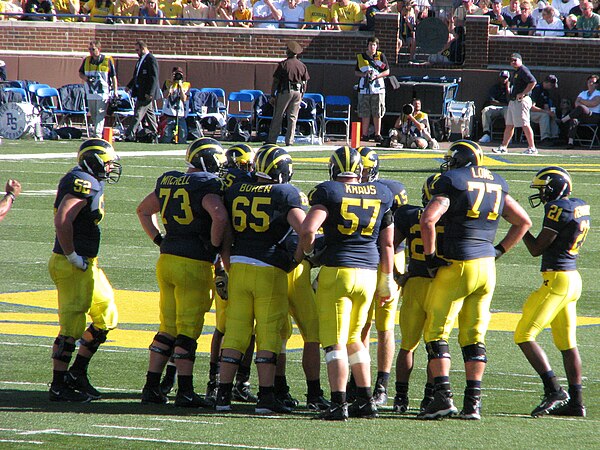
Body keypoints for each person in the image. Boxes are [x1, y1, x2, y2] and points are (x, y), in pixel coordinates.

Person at [418, 140, 532, 420]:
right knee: (473, 336)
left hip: (458, 265)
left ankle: (443, 398)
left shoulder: (452, 180)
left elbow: (428, 220)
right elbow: (523, 222)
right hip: (486, 267)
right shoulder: (497, 181)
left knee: (436, 333)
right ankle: (473, 404)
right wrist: (499, 250)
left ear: (459, 159)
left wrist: (431, 256)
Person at [299, 146, 395, 421]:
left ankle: (338, 403)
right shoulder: (381, 192)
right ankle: (366, 400)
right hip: (369, 273)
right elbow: (387, 242)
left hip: (338, 272)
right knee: (355, 339)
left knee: (334, 343)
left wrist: (308, 252)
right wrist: (387, 278)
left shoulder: (329, 191)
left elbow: (307, 229)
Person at [137, 137, 230, 408]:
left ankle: (151, 387)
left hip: (167, 260)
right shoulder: (207, 184)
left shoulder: (169, 180)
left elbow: (143, 211)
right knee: (188, 330)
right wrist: (214, 245)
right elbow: (220, 216)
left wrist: (159, 239)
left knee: (167, 326)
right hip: (194, 264)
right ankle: (185, 391)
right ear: (208, 161)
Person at [216, 146, 305, 414]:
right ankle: (266, 397)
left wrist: (228, 265)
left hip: (239, 267)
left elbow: (227, 235)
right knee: (268, 333)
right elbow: (306, 230)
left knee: (235, 332)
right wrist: (298, 258)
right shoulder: (284, 193)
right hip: (269, 270)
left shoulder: (236, 189)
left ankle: (222, 396)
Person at [48, 138, 122, 403]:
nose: (111, 166)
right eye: (108, 161)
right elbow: (63, 219)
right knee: (72, 325)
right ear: (94, 160)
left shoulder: (89, 180)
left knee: (107, 314)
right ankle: (58, 385)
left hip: (88, 262)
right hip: (71, 263)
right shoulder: (83, 181)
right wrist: (71, 255)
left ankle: (77, 373)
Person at [515, 166, 590, 418]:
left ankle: (553, 389)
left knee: (524, 334)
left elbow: (537, 248)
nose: (542, 194)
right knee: (567, 344)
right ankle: (577, 403)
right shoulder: (578, 205)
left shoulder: (558, 209)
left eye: (544, 188)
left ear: (555, 187)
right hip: (572, 279)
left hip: (557, 280)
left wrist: (520, 226)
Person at [355, 146, 409, 407]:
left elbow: (402, 228)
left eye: (365, 170)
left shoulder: (392, 190)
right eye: (358, 170)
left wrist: (393, 273)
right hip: (363, 261)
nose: (361, 175)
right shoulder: (350, 189)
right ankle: (361, 381)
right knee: (361, 324)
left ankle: (382, 385)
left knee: (385, 326)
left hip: (389, 258)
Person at [392, 173, 439, 414]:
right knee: (436, 346)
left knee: (407, 346)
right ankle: (430, 397)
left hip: (413, 285)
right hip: (439, 286)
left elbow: (389, 244)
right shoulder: (450, 218)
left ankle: (400, 397)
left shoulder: (409, 215)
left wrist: (397, 273)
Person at [266, 41, 310, 147]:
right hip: (298, 92)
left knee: (278, 115)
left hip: (286, 91)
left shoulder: (284, 64)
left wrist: (272, 95)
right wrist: (302, 94)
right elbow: (305, 82)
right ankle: (289, 141)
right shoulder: (302, 65)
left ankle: (272, 140)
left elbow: (276, 81)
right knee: (292, 117)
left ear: (288, 52)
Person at [493, 53, 537, 155]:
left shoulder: (523, 70)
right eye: (511, 60)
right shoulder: (516, 72)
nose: (513, 62)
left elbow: (533, 82)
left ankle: (532, 147)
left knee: (525, 124)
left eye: (515, 60)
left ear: (520, 60)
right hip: (513, 101)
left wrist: (523, 93)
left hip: (521, 101)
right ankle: (503, 147)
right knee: (509, 125)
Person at [79, 40, 118, 139]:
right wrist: (87, 79)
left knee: (100, 113)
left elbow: (113, 77)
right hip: (91, 92)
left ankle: (97, 134)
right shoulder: (87, 60)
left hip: (103, 92)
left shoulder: (107, 60)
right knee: (93, 114)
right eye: (89, 49)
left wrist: (115, 91)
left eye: (93, 49)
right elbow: (80, 73)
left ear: (99, 49)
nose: (91, 51)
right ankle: (96, 132)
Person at [125, 40, 161, 142]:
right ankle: (155, 133)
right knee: (150, 114)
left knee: (138, 113)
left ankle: (129, 135)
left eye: (137, 50)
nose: (136, 52)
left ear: (143, 48)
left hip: (146, 93)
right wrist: (129, 86)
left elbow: (154, 77)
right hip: (140, 91)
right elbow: (137, 76)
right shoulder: (140, 60)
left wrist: (150, 93)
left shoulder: (151, 59)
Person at [356, 36, 389, 143]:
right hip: (365, 88)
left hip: (378, 88)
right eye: (370, 45)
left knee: (377, 111)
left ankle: (377, 134)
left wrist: (377, 76)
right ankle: (364, 134)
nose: (372, 47)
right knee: (365, 111)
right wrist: (364, 74)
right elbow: (356, 72)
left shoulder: (380, 56)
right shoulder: (361, 57)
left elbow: (387, 71)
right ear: (367, 45)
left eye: (374, 45)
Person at [561, 74, 600, 148]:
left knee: (582, 107)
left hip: (593, 116)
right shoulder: (583, 93)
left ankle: (563, 120)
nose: (591, 84)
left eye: (593, 82)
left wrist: (582, 101)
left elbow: (593, 103)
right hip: (582, 116)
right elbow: (576, 104)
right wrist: (586, 102)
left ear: (596, 84)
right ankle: (570, 143)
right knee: (574, 120)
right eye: (589, 82)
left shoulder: (598, 93)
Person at [160, 66, 190, 144]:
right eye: (175, 74)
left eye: (179, 74)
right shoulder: (167, 83)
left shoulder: (186, 85)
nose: (177, 76)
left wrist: (180, 86)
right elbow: (165, 96)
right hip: (168, 114)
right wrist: (171, 87)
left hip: (180, 115)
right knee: (165, 139)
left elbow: (184, 99)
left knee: (183, 138)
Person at [478, 70, 510, 144]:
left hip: (506, 108)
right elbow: (491, 101)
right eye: (502, 78)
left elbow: (510, 101)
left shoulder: (511, 88)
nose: (504, 79)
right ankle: (487, 134)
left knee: (509, 111)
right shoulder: (495, 87)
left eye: (505, 78)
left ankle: (508, 136)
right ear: (499, 78)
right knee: (486, 110)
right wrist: (503, 104)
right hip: (495, 107)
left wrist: (508, 89)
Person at [530, 74, 560, 147]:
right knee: (545, 115)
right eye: (551, 85)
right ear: (547, 82)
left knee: (551, 115)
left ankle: (554, 137)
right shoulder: (536, 89)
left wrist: (550, 112)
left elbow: (546, 106)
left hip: (540, 112)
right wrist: (546, 112)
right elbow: (531, 107)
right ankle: (545, 138)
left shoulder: (545, 91)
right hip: (529, 112)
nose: (552, 87)